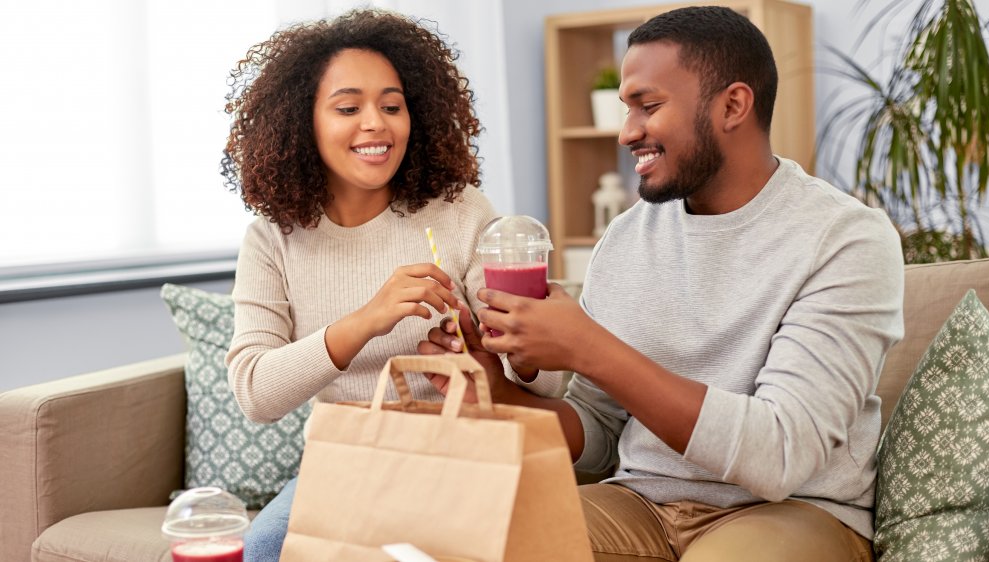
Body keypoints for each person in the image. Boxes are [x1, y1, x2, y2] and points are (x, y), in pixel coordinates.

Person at [421, 6, 903, 561]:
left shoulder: (845, 240)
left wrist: (587, 347)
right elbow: (600, 439)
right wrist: (497, 393)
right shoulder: (627, 239)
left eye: (648, 106)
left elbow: (780, 456)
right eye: (627, 109)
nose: (627, 133)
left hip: (793, 511)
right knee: (463, 535)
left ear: (733, 105)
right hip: (641, 505)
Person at [221, 9, 560, 561]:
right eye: (348, 107)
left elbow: (548, 387)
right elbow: (256, 394)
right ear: (300, 122)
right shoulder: (271, 239)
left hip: (456, 457)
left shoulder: (459, 213)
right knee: (266, 547)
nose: (376, 123)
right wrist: (366, 320)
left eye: (392, 106)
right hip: (345, 462)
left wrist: (491, 348)